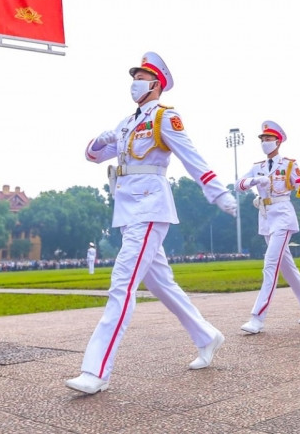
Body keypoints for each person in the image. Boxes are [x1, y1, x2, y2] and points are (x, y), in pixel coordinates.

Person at [65, 52, 239, 395]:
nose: (135, 82)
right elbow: (93, 156)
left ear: (156, 84)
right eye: (134, 76)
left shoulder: (164, 118)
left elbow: (192, 156)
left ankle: (95, 371)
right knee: (161, 284)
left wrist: (217, 192)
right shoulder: (127, 123)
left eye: (141, 76)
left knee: (122, 284)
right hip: (128, 210)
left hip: (150, 206)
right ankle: (206, 335)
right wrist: (99, 140)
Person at [234, 120, 300, 334]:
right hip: (266, 218)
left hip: (283, 216)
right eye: (262, 139)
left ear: (278, 141)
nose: (264, 142)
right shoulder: (258, 167)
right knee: (287, 267)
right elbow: (238, 185)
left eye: (268, 139)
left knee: (270, 264)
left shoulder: (289, 165)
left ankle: (257, 318)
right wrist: (254, 181)